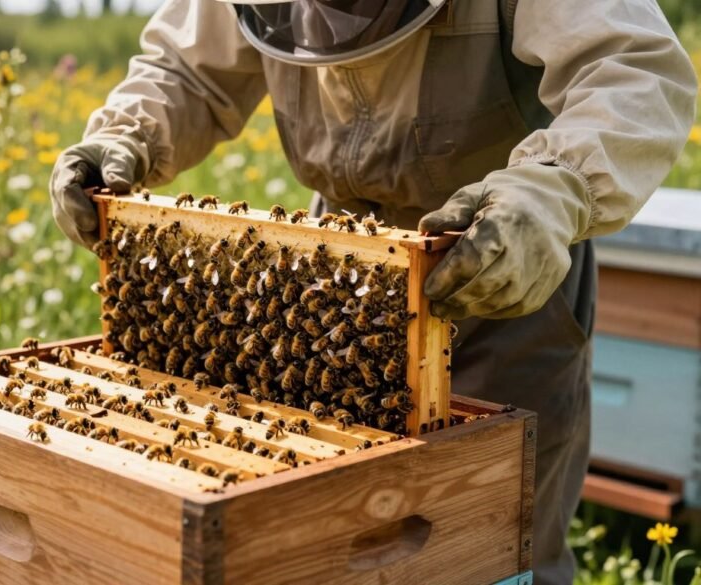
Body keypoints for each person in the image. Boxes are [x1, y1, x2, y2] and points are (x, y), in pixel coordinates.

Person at [49, 1, 697, 582]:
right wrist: (124, 135)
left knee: (496, 546)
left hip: (501, 269)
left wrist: (553, 190)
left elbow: (634, 72)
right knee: (333, 537)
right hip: (340, 285)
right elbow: (187, 72)